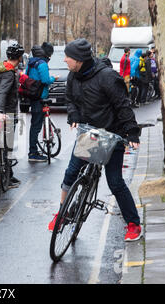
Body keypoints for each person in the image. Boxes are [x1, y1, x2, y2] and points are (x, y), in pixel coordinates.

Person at [47, 38, 143, 242]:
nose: (64, 60)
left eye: (68, 57)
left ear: (79, 60)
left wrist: (132, 132)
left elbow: (122, 105)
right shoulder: (73, 76)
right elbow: (70, 98)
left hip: (111, 135)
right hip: (90, 134)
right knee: (71, 173)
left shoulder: (107, 77)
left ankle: (134, 224)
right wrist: (73, 116)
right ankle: (62, 214)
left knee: (115, 183)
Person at [0, 42, 25, 188]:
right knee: (7, 146)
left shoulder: (3, 68)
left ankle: (8, 175)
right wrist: (1, 112)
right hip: (7, 113)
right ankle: (5, 178)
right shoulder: (8, 73)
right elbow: (3, 92)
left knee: (3, 144)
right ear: (19, 57)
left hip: (0, 111)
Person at [26, 43, 58, 162]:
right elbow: (45, 80)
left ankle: (33, 151)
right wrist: (54, 78)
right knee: (36, 126)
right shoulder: (42, 64)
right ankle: (33, 153)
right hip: (40, 97)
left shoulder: (31, 63)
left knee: (34, 124)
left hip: (33, 96)